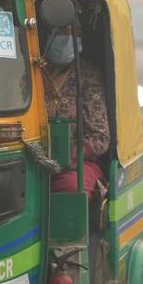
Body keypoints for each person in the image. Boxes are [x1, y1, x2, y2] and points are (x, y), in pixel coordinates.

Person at [42, 26, 110, 199]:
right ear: (48, 35)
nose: (66, 39)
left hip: (75, 163)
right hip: (32, 160)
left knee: (71, 187)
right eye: (60, 33)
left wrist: (65, 155)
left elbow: (100, 137)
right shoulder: (35, 72)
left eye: (72, 33)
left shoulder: (87, 74)